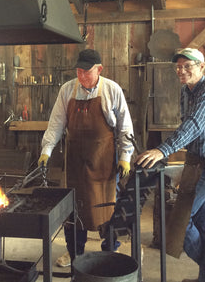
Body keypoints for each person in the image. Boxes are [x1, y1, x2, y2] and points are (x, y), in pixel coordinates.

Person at [38, 48, 134, 267]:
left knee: (107, 209)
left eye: (87, 72)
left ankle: (109, 253)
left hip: (103, 162)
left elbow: (125, 126)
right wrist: (46, 151)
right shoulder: (67, 90)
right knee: (74, 211)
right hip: (75, 163)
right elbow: (56, 124)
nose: (82, 76)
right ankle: (75, 255)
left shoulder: (112, 90)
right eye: (79, 71)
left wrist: (126, 155)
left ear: (99, 69)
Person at [135, 48, 205, 282]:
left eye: (187, 66)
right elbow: (188, 125)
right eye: (178, 66)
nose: (181, 70)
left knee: (180, 225)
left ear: (202, 67)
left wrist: (162, 149)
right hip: (194, 162)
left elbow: (194, 125)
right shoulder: (186, 91)